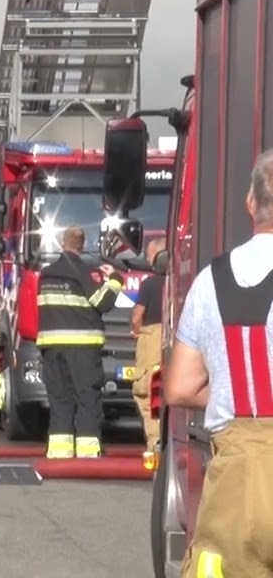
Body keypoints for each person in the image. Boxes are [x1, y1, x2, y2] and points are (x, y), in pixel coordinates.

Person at [169, 150, 273, 576]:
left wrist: (233, 391)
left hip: (236, 483)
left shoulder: (209, 281)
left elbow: (181, 387)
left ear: (251, 204)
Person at [36, 225, 123, 459]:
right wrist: (115, 280)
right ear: (82, 245)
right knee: (87, 398)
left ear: (62, 243)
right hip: (82, 348)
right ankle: (87, 452)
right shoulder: (84, 272)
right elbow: (103, 302)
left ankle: (58, 451)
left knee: (59, 398)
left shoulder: (46, 274)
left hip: (51, 347)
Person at [131, 238, 167, 464]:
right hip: (179, 339)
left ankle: (155, 444)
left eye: (149, 254)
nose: (146, 259)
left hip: (153, 340)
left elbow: (137, 317)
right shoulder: (187, 280)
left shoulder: (149, 284)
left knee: (147, 392)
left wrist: (137, 332)